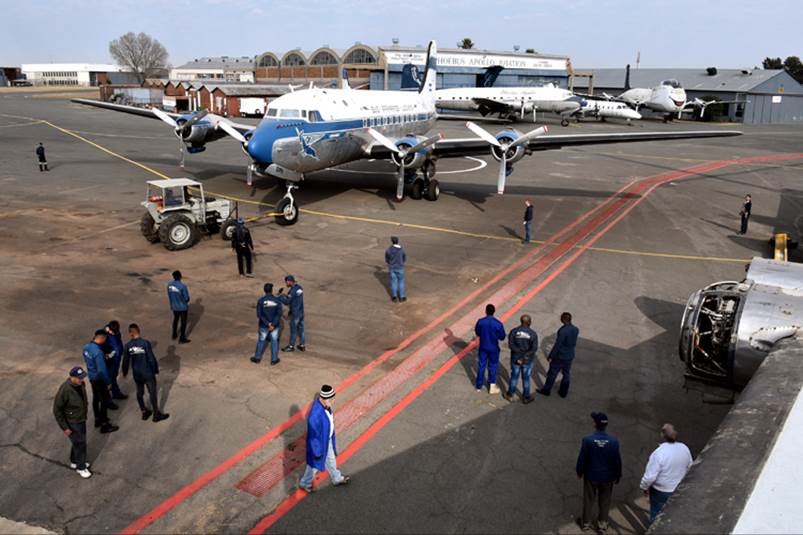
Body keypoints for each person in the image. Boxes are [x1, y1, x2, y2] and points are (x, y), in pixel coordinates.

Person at [299, 385, 351, 492]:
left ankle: (337, 478)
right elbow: (313, 436)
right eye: (331, 399)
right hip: (319, 444)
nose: (333, 401)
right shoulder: (315, 414)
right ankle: (305, 483)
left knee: (331, 459)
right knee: (314, 465)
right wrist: (317, 451)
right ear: (324, 398)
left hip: (327, 440)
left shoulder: (326, 406)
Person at [576, 412, 622, 533]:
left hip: (592, 475)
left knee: (588, 499)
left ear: (594, 424)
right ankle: (602, 524)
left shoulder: (588, 440)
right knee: (605, 500)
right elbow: (617, 461)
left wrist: (579, 471)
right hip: (608, 477)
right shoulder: (613, 441)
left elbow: (582, 458)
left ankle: (586, 523)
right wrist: (618, 475)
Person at [639, 424, 693, 524]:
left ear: (662, 435)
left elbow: (650, 477)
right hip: (678, 488)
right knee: (673, 514)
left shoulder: (659, 453)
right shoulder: (684, 448)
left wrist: (644, 487)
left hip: (660, 491)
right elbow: (690, 466)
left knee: (656, 515)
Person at [123, 323, 170, 422]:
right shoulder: (145, 343)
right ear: (139, 330)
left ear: (130, 333)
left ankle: (144, 411)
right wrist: (155, 369)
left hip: (137, 373)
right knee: (152, 392)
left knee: (139, 392)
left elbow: (126, 360)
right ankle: (156, 415)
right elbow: (151, 358)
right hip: (147, 372)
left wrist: (124, 371)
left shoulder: (128, 345)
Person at [53, 366, 91, 478]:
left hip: (81, 418)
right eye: (79, 378)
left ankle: (75, 461)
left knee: (77, 442)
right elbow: (57, 410)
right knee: (80, 443)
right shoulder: (65, 390)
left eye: (82, 377)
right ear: (72, 377)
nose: (82, 379)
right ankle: (81, 467)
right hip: (73, 422)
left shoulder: (80, 384)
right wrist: (65, 427)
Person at [82, 330, 119, 434]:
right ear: (102, 338)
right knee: (104, 400)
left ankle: (97, 419)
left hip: (92, 377)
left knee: (96, 398)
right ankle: (104, 425)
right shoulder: (98, 352)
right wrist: (108, 382)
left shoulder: (87, 347)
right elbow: (102, 370)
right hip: (100, 379)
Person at [537, 312, 579, 398]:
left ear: (563, 320)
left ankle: (546, 390)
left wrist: (551, 356)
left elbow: (558, 345)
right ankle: (563, 392)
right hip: (570, 355)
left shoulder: (562, 331)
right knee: (566, 373)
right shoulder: (575, 329)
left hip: (560, 356)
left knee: (552, 373)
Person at [503, 314, 538, 403]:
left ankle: (510, 395)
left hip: (515, 359)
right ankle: (526, 397)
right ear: (529, 322)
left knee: (514, 377)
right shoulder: (533, 334)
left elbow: (511, 345)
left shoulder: (514, 332)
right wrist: (525, 356)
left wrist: (519, 356)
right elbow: (534, 348)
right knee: (526, 378)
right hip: (527, 360)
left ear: (521, 321)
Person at [474, 304, 506, 394]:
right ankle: (492, 385)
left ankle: (478, 386)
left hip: (483, 347)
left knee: (481, 365)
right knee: (493, 366)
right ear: (494, 311)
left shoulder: (480, 321)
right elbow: (502, 336)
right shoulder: (498, 323)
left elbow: (477, 332)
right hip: (493, 348)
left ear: (486, 311)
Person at [251, 283, 283, 365]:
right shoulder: (277, 301)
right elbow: (279, 314)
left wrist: (267, 323)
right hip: (275, 326)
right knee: (274, 341)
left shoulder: (261, 301)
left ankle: (257, 358)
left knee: (261, 340)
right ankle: (274, 360)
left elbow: (259, 315)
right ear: (271, 290)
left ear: (264, 290)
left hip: (263, 325)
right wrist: (273, 324)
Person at [279, 275, 305, 352]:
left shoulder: (292, 291)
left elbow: (287, 302)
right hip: (301, 312)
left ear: (290, 281)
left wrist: (280, 297)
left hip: (295, 313)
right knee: (301, 330)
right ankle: (302, 345)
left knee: (293, 330)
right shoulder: (299, 288)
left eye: (286, 282)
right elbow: (294, 298)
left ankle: (291, 346)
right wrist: (286, 296)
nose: (286, 283)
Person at [103, 320, 128, 401]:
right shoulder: (104, 335)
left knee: (113, 377)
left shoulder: (115, 332)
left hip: (116, 360)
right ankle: (107, 399)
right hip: (110, 361)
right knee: (109, 379)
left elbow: (118, 341)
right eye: (112, 332)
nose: (114, 333)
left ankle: (116, 393)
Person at [167, 270, 190, 344]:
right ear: (180, 276)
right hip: (182, 307)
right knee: (183, 322)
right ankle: (182, 338)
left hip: (174, 306)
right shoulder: (182, 286)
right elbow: (186, 298)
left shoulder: (169, 285)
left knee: (175, 319)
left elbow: (169, 295)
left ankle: (174, 334)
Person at [385, 236, 407, 303]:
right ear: (397, 241)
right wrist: (401, 263)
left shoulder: (388, 250)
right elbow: (404, 258)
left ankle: (394, 297)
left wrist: (390, 263)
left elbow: (387, 259)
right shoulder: (401, 250)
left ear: (392, 241)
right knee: (401, 282)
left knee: (393, 282)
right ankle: (402, 297)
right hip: (400, 267)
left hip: (392, 268)